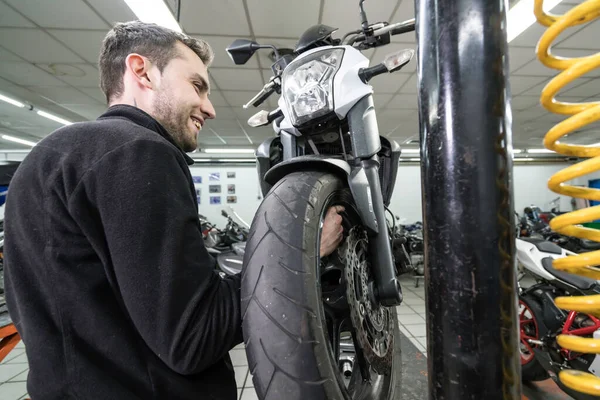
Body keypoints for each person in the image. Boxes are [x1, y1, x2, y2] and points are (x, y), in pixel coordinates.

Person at [3, 21, 344, 400]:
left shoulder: (52, 154)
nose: (210, 108)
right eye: (197, 86)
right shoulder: (138, 150)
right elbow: (193, 337)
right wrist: (300, 253)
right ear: (141, 71)